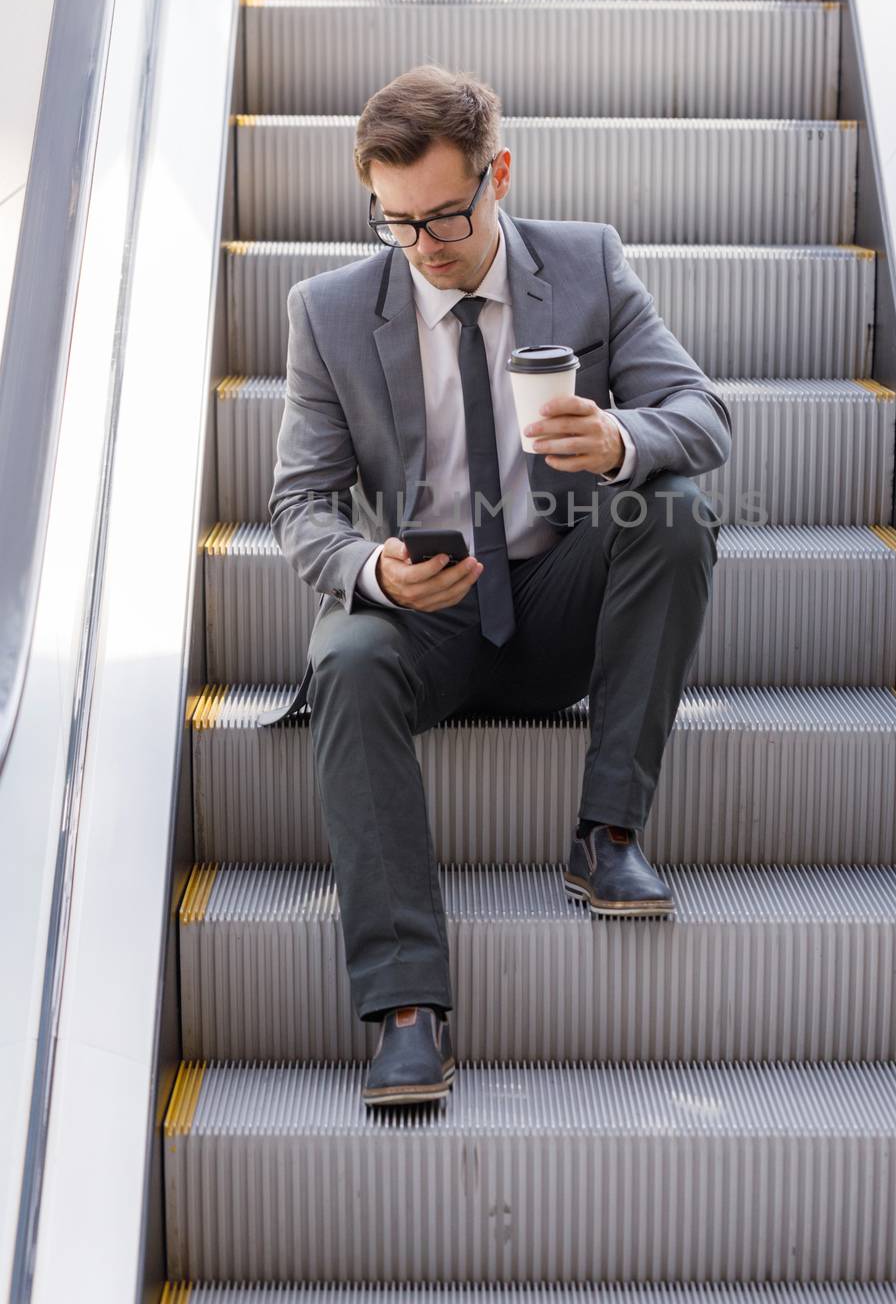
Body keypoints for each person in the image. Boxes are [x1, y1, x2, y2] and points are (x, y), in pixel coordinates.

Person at [259, 64, 732, 1106]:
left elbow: (701, 413)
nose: (425, 247)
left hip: (561, 603)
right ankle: (403, 1008)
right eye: (396, 224)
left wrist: (617, 438)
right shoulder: (331, 312)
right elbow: (299, 505)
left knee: (672, 503)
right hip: (430, 614)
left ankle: (605, 835)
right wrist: (372, 571)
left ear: (497, 174)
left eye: (444, 216)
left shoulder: (587, 263)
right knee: (340, 651)